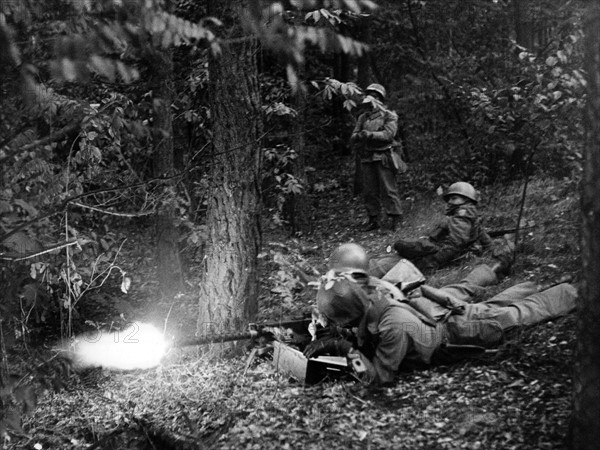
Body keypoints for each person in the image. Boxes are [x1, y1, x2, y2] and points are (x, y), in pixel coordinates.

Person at [305, 243, 577, 386]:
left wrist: (343, 347)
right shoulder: (366, 288)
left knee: (518, 314)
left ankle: (577, 289)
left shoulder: (392, 327)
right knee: (496, 304)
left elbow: (379, 378)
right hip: (435, 314)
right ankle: (547, 283)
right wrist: (334, 329)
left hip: (457, 334)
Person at [369, 181, 494, 277]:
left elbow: (456, 244)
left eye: (454, 198)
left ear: (467, 200)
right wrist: (491, 250)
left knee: (396, 258)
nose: (450, 201)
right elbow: (483, 236)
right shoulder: (469, 216)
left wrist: (434, 261)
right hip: (440, 250)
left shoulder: (462, 216)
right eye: (449, 198)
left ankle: (365, 270)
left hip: (437, 253)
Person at [350, 84, 403, 231]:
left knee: (388, 188)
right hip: (367, 156)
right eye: (369, 95)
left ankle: (395, 218)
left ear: (379, 98)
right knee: (369, 190)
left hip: (384, 155)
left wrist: (370, 135)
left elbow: (389, 135)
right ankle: (373, 219)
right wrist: (359, 136)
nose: (371, 98)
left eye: (374, 95)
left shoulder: (389, 115)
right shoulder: (363, 117)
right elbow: (354, 135)